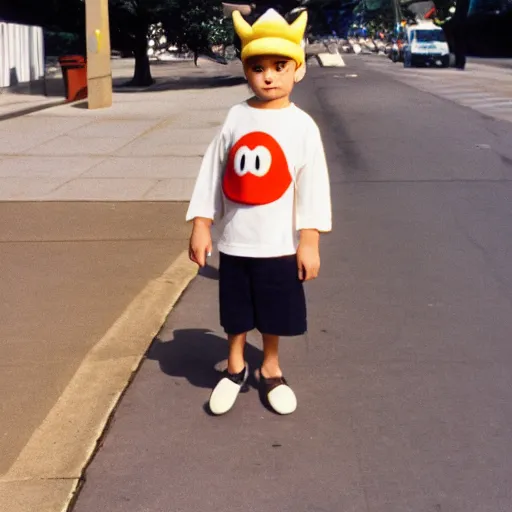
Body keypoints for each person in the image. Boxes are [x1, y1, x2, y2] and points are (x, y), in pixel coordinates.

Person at [186, 8, 332, 416]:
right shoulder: (236, 116)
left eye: (279, 66)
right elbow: (213, 171)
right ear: (246, 70)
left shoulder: (302, 126)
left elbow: (313, 184)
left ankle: (270, 367)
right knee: (236, 311)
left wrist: (310, 238)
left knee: (273, 311)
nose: (269, 76)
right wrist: (202, 224)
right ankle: (234, 368)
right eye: (258, 67)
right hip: (237, 240)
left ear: (297, 71)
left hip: (279, 243)